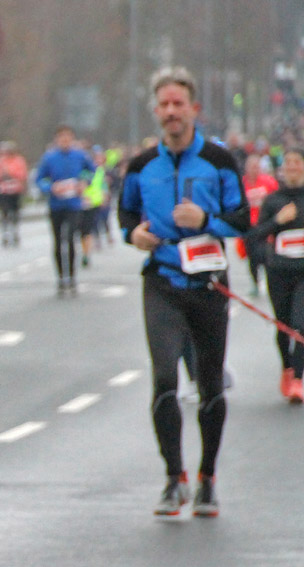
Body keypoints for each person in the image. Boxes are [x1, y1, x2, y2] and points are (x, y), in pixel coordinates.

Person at [118, 66, 248, 518]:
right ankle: (174, 478)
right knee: (163, 379)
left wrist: (205, 222)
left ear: (194, 109)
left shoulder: (218, 161)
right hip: (163, 281)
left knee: (210, 384)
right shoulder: (140, 166)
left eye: (179, 104)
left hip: (208, 283)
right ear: (156, 112)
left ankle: (207, 478)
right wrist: (134, 237)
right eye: (164, 105)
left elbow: (243, 220)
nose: (172, 112)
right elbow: (125, 220)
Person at [248, 147, 304, 403]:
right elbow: (255, 236)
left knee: (301, 324)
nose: (292, 167)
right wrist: (278, 221)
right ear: (282, 169)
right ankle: (287, 368)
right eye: (288, 163)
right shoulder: (273, 201)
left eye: (297, 163)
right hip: (279, 272)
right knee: (283, 326)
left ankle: (298, 377)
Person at [36, 125, 95, 295]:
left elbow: (91, 171)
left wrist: (84, 182)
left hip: (74, 204)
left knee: (70, 238)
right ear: (56, 140)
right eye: (62, 138)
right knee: (57, 241)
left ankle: (72, 276)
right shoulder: (49, 158)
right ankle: (61, 277)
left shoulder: (80, 155)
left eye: (68, 138)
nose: (65, 141)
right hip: (56, 205)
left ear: (72, 139)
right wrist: (50, 187)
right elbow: (40, 179)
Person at [240, 154, 279, 296]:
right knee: (252, 258)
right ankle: (255, 282)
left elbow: (277, 199)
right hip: (249, 228)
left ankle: (271, 283)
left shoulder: (269, 182)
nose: (254, 169)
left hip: (266, 226)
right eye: (251, 167)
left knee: (266, 256)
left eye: (256, 167)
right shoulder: (242, 184)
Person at [0, 140, 27, 247]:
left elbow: (22, 174)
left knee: (15, 211)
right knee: (4, 211)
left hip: (15, 190)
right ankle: (5, 232)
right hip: (3, 190)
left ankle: (15, 230)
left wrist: (10, 172)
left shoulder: (19, 160)